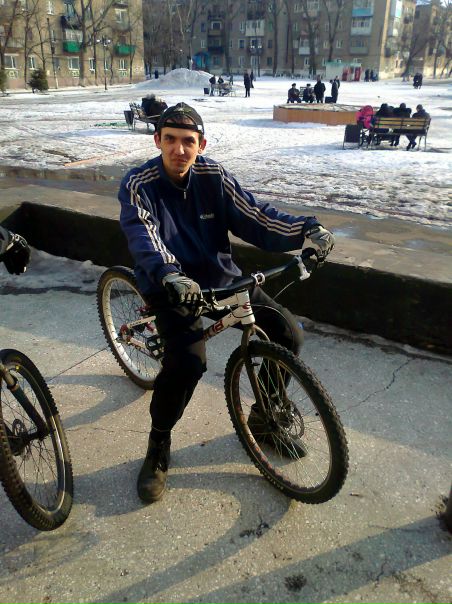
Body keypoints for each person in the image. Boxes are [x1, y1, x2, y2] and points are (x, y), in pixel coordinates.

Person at [118, 102, 335, 504]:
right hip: (169, 285)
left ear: (201, 144)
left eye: (188, 141)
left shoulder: (212, 176)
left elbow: (256, 216)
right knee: (187, 363)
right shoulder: (138, 183)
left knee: (287, 334)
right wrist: (169, 273)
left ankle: (264, 417)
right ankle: (158, 443)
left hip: (220, 279)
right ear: (157, 140)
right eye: (170, 140)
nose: (179, 150)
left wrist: (306, 229)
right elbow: (143, 234)